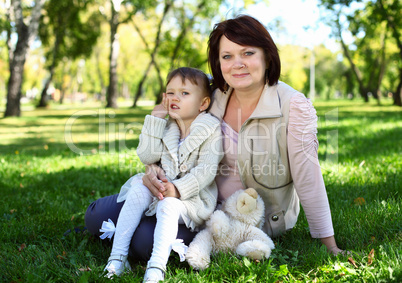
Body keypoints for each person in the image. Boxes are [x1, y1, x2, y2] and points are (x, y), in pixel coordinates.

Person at [85, 15, 343, 272]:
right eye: (227, 56)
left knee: (144, 242)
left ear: (267, 56)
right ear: (218, 63)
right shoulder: (212, 94)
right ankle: (125, 228)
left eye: (248, 53)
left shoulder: (293, 106)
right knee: (95, 214)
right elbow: (170, 128)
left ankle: (128, 235)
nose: (237, 64)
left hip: (236, 217)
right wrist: (152, 168)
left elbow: (308, 177)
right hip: (189, 194)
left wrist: (328, 243)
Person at [93, 67, 223, 281]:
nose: (175, 98)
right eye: (170, 92)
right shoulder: (166, 126)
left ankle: (156, 267)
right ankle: (117, 257)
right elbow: (147, 156)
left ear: (203, 104)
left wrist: (178, 190)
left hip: (192, 199)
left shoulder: (211, 130)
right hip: (161, 188)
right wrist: (154, 120)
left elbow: (206, 171)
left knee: (168, 205)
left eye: (184, 93)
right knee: (137, 191)